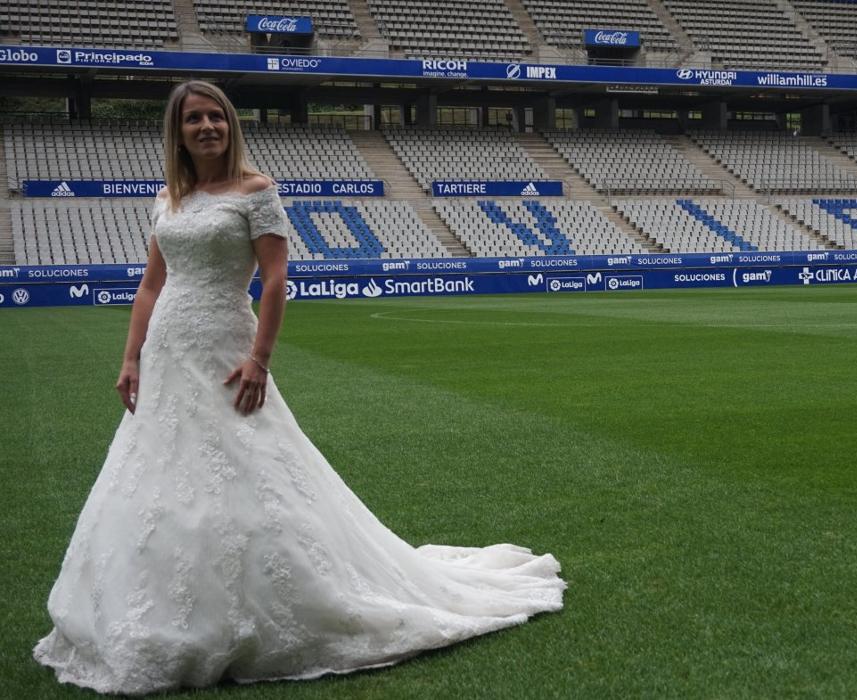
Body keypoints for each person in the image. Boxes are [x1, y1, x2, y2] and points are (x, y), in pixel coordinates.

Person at [33, 80, 566, 695]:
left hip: (226, 347)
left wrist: (260, 359)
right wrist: (131, 358)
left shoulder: (256, 192)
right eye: (193, 120)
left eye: (216, 117)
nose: (207, 127)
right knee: (155, 472)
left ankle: (273, 596)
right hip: (167, 353)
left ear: (230, 125)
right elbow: (151, 286)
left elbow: (276, 279)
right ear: (176, 132)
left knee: (252, 464)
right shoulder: (169, 198)